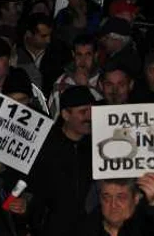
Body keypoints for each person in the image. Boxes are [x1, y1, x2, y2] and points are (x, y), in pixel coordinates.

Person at [30, 87, 96, 236]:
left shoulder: (98, 146)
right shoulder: (45, 147)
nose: (90, 117)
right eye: (83, 112)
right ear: (66, 114)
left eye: (93, 111)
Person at [77, 175, 154, 236]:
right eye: (106, 197)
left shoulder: (153, 227)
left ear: (136, 198)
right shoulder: (84, 230)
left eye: (121, 197)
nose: (113, 204)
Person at [51, 34, 102, 117]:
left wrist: (85, 87)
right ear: (73, 54)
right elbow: (53, 118)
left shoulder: (104, 79)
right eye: (79, 54)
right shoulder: (61, 83)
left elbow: (106, 111)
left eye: (88, 54)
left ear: (95, 55)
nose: (83, 60)